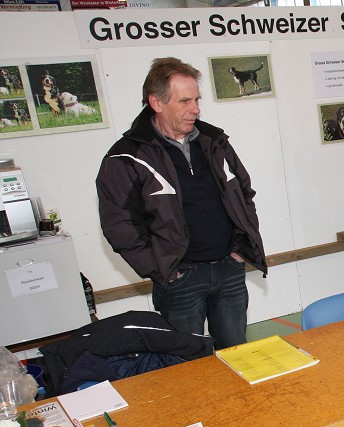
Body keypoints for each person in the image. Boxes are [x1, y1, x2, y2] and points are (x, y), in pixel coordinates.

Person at [97, 57, 266, 350]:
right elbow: (118, 224)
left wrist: (239, 250)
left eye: (197, 99)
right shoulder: (127, 156)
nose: (196, 109)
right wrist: (163, 270)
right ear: (156, 103)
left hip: (229, 268)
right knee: (185, 366)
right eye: (185, 101)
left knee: (238, 353)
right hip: (180, 279)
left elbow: (243, 192)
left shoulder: (215, 141)